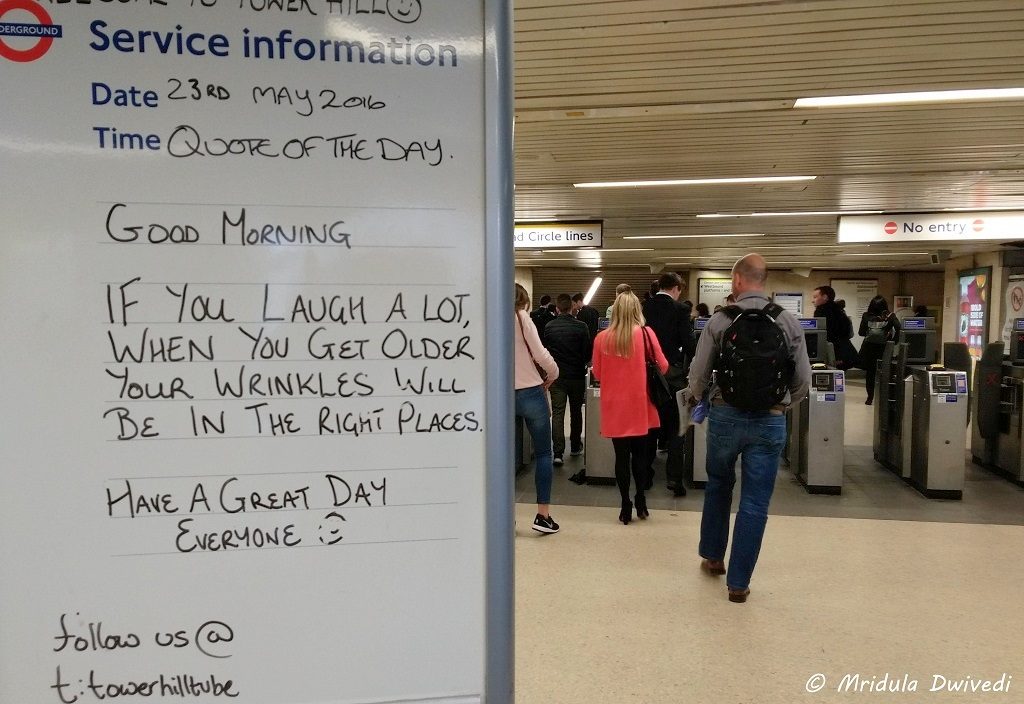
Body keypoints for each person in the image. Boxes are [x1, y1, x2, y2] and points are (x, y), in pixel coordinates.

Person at [688, 254, 811, 603]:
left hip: (726, 416)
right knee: (755, 502)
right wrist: (782, 404)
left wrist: (700, 399)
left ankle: (713, 557)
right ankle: (739, 584)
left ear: (739, 280)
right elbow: (803, 380)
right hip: (768, 421)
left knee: (718, 485)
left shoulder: (721, 321)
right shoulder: (787, 322)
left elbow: (698, 374)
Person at [591, 291, 668, 525]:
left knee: (621, 458)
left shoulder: (602, 338)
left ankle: (625, 505)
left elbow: (598, 373)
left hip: (615, 406)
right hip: (641, 405)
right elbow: (662, 366)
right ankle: (641, 500)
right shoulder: (646, 334)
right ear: (637, 310)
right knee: (642, 458)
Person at [514, 284, 562, 534]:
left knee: (502, 457)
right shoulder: (521, 317)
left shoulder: (487, 315)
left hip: (500, 395)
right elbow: (541, 354)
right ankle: (542, 516)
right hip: (531, 390)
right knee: (544, 453)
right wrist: (553, 374)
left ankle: (504, 515)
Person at [642, 272, 694, 495]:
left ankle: (646, 476)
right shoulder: (681, 310)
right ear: (675, 288)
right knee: (675, 427)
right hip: (672, 375)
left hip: (646, 374)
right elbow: (689, 344)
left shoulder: (644, 307)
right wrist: (688, 369)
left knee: (649, 427)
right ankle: (674, 479)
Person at [543, 294, 592, 466]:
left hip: (557, 377)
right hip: (577, 376)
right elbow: (587, 353)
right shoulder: (581, 327)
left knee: (558, 413)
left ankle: (557, 452)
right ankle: (576, 446)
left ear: (557, 308)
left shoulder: (549, 326)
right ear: (572, 308)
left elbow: (545, 352)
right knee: (576, 411)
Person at [859, 295, 901, 405]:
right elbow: (899, 327)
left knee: (870, 373)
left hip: (869, 348)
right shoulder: (890, 316)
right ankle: (883, 397)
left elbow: (861, 333)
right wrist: (893, 340)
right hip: (884, 348)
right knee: (885, 372)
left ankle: (870, 398)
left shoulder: (866, 316)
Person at [811, 285, 857, 369]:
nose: (812, 301)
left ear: (825, 297)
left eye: (815, 297)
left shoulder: (821, 311)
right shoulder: (839, 310)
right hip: (846, 352)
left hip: (834, 352)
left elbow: (824, 335)